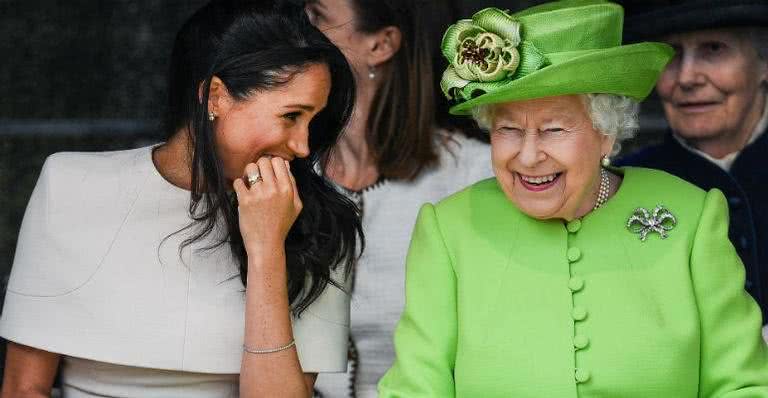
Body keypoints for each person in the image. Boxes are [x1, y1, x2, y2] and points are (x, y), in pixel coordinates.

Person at [378, 1, 768, 396]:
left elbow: (743, 386)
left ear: (607, 133)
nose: (528, 156)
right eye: (509, 129)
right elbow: (415, 389)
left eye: (553, 129)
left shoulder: (691, 216)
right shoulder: (450, 229)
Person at [0, 1, 361, 397]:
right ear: (216, 97)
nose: (304, 146)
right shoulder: (69, 186)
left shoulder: (320, 224)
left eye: (313, 121)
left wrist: (266, 250)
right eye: (291, 116)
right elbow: (23, 388)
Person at [302, 0, 492, 396]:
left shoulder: (474, 176)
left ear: (381, 44)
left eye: (318, 17)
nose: (297, 29)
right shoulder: (290, 171)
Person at [617, 0, 768, 327]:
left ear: (764, 63)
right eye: (671, 54)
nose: (686, 77)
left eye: (713, 49)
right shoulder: (621, 184)